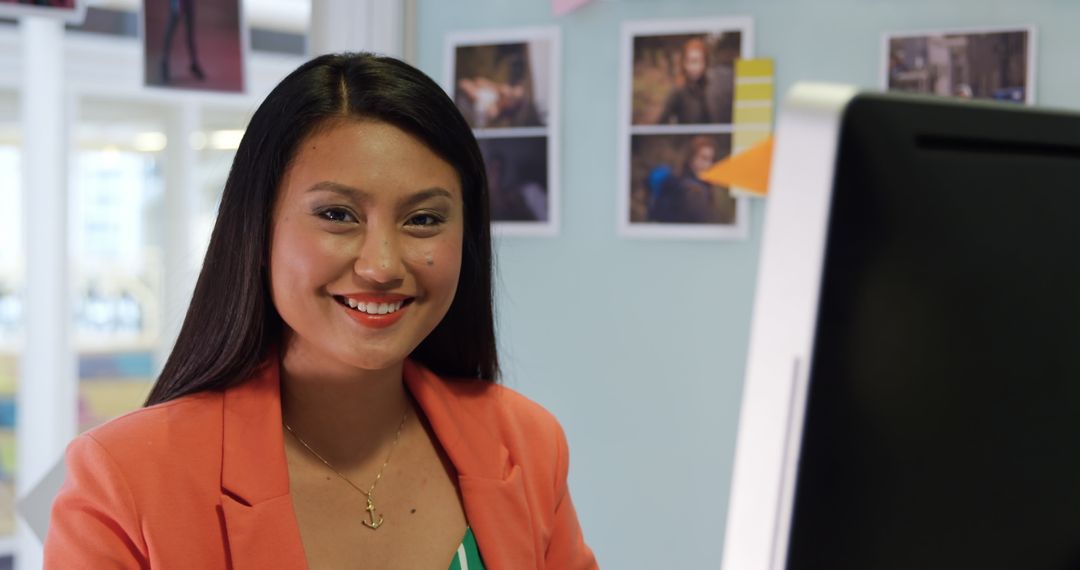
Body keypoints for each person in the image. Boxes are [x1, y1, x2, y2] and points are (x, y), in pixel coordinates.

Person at [45, 53, 597, 569]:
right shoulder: (123, 478)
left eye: (424, 220)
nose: (381, 265)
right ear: (259, 229)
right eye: (338, 214)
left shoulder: (526, 443)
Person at [649, 135, 735, 224]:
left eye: (711, 160)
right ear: (691, 158)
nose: (708, 165)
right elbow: (706, 223)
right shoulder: (691, 190)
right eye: (703, 158)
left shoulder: (703, 184)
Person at [656, 37, 733, 125]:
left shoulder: (711, 86)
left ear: (705, 63)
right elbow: (661, 123)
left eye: (700, 61)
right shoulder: (678, 90)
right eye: (691, 61)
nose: (696, 67)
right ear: (684, 63)